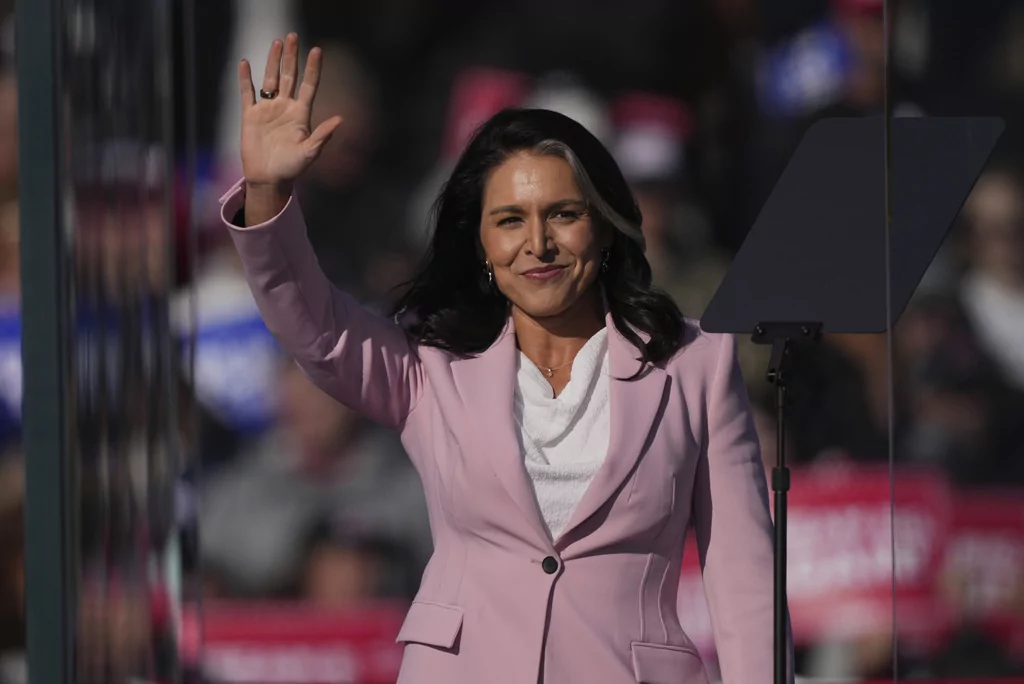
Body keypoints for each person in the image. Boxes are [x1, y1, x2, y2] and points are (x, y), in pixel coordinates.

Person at [220, 33, 791, 684]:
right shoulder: (430, 365)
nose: (539, 243)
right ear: (481, 243)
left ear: (603, 227)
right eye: (511, 220)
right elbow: (316, 329)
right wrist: (266, 195)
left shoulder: (696, 364)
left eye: (563, 213)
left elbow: (746, 581)